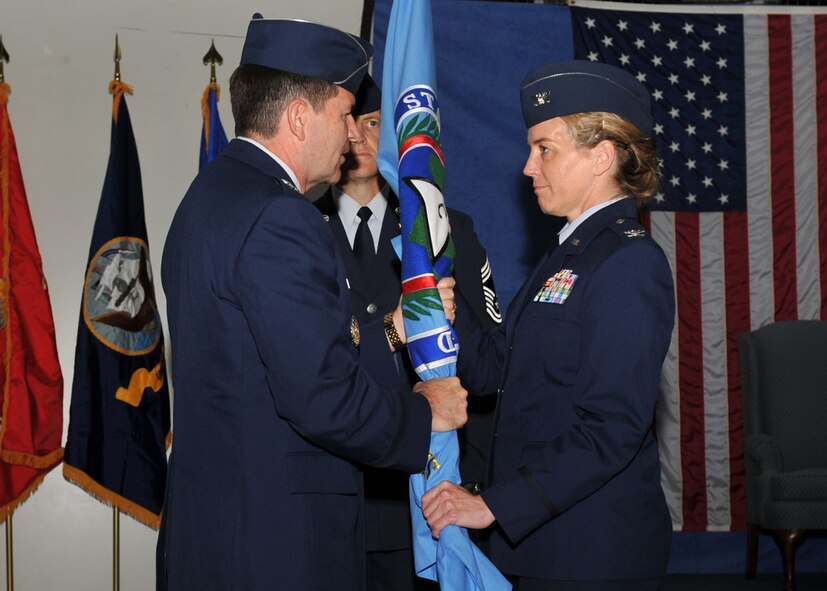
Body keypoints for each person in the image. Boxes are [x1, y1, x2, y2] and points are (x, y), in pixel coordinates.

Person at [158, 16, 468, 591]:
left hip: (222, 532)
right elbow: (320, 397)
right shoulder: (282, 216)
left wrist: (393, 332)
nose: (354, 133)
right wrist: (427, 413)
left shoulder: (210, 197)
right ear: (300, 117)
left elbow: (268, 365)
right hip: (276, 545)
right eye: (347, 113)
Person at [421, 60, 676, 590]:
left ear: (602, 155)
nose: (528, 167)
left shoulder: (628, 263)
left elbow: (611, 428)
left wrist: (494, 504)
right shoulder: (569, 254)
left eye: (545, 149)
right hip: (540, 544)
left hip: (589, 553)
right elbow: (498, 366)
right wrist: (448, 312)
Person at [313, 75, 502, 591]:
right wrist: (395, 326)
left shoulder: (447, 230)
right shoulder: (301, 230)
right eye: (349, 124)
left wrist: (445, 314)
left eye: (374, 123)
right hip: (335, 496)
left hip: (422, 500)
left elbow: (490, 374)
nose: (359, 139)